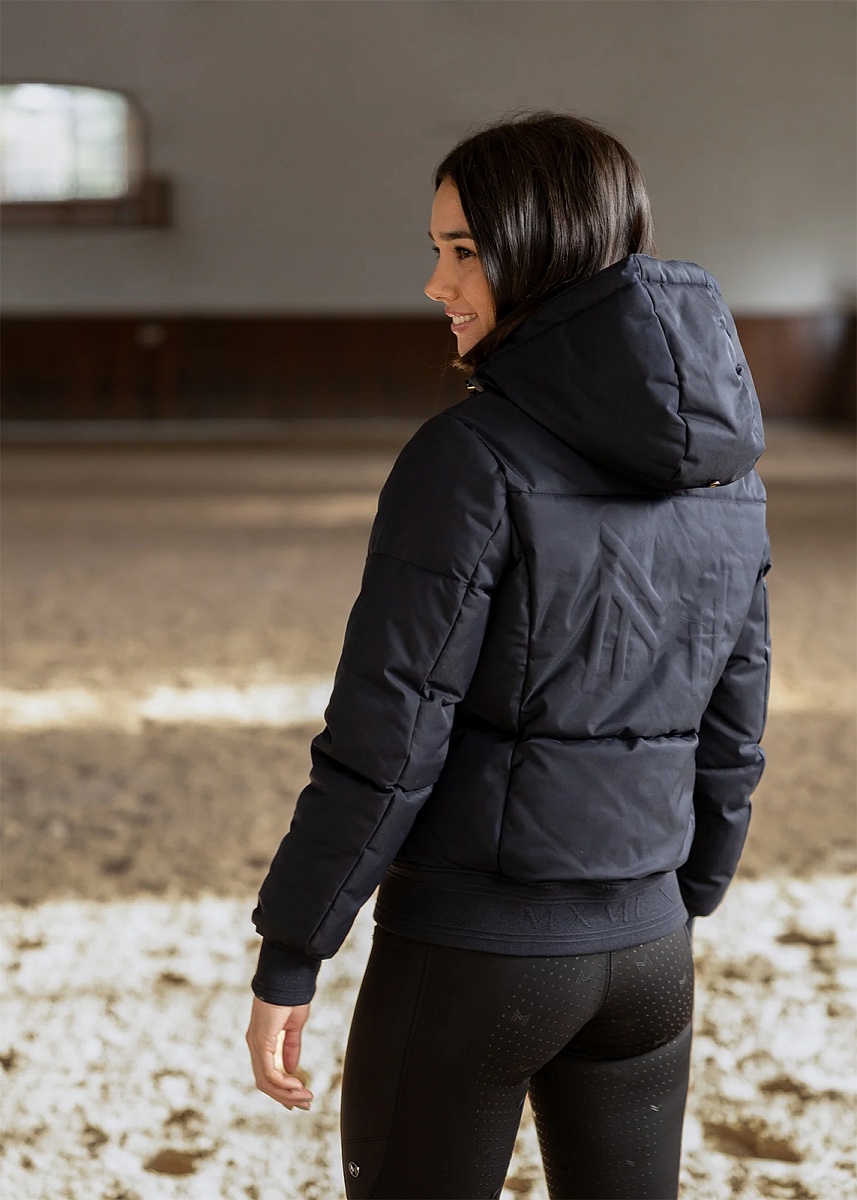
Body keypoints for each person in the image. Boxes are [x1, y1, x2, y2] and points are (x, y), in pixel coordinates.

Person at [245, 112, 771, 1200]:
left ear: (541, 248)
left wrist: (294, 947)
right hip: (650, 960)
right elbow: (735, 716)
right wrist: (686, 893)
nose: (435, 283)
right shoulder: (729, 472)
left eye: (464, 251)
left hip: (475, 957)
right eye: (439, 248)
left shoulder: (468, 456)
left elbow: (390, 735)